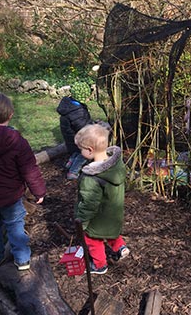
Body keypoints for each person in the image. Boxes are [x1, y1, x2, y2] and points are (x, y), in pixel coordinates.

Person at [0, 91, 46, 271]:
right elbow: (29, 169)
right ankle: (22, 259)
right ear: (10, 115)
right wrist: (39, 191)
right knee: (15, 224)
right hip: (10, 195)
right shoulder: (17, 141)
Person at [74, 123, 130, 274]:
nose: (80, 152)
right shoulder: (115, 166)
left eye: (81, 149)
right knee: (111, 231)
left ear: (90, 150)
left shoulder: (91, 178)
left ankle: (100, 266)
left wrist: (82, 221)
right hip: (114, 213)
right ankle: (120, 247)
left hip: (98, 217)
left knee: (93, 240)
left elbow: (89, 203)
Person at [56, 83, 92, 180]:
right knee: (85, 153)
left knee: (75, 151)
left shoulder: (69, 105)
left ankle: (70, 163)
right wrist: (93, 128)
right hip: (78, 137)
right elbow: (83, 127)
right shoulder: (77, 111)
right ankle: (73, 172)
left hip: (70, 136)